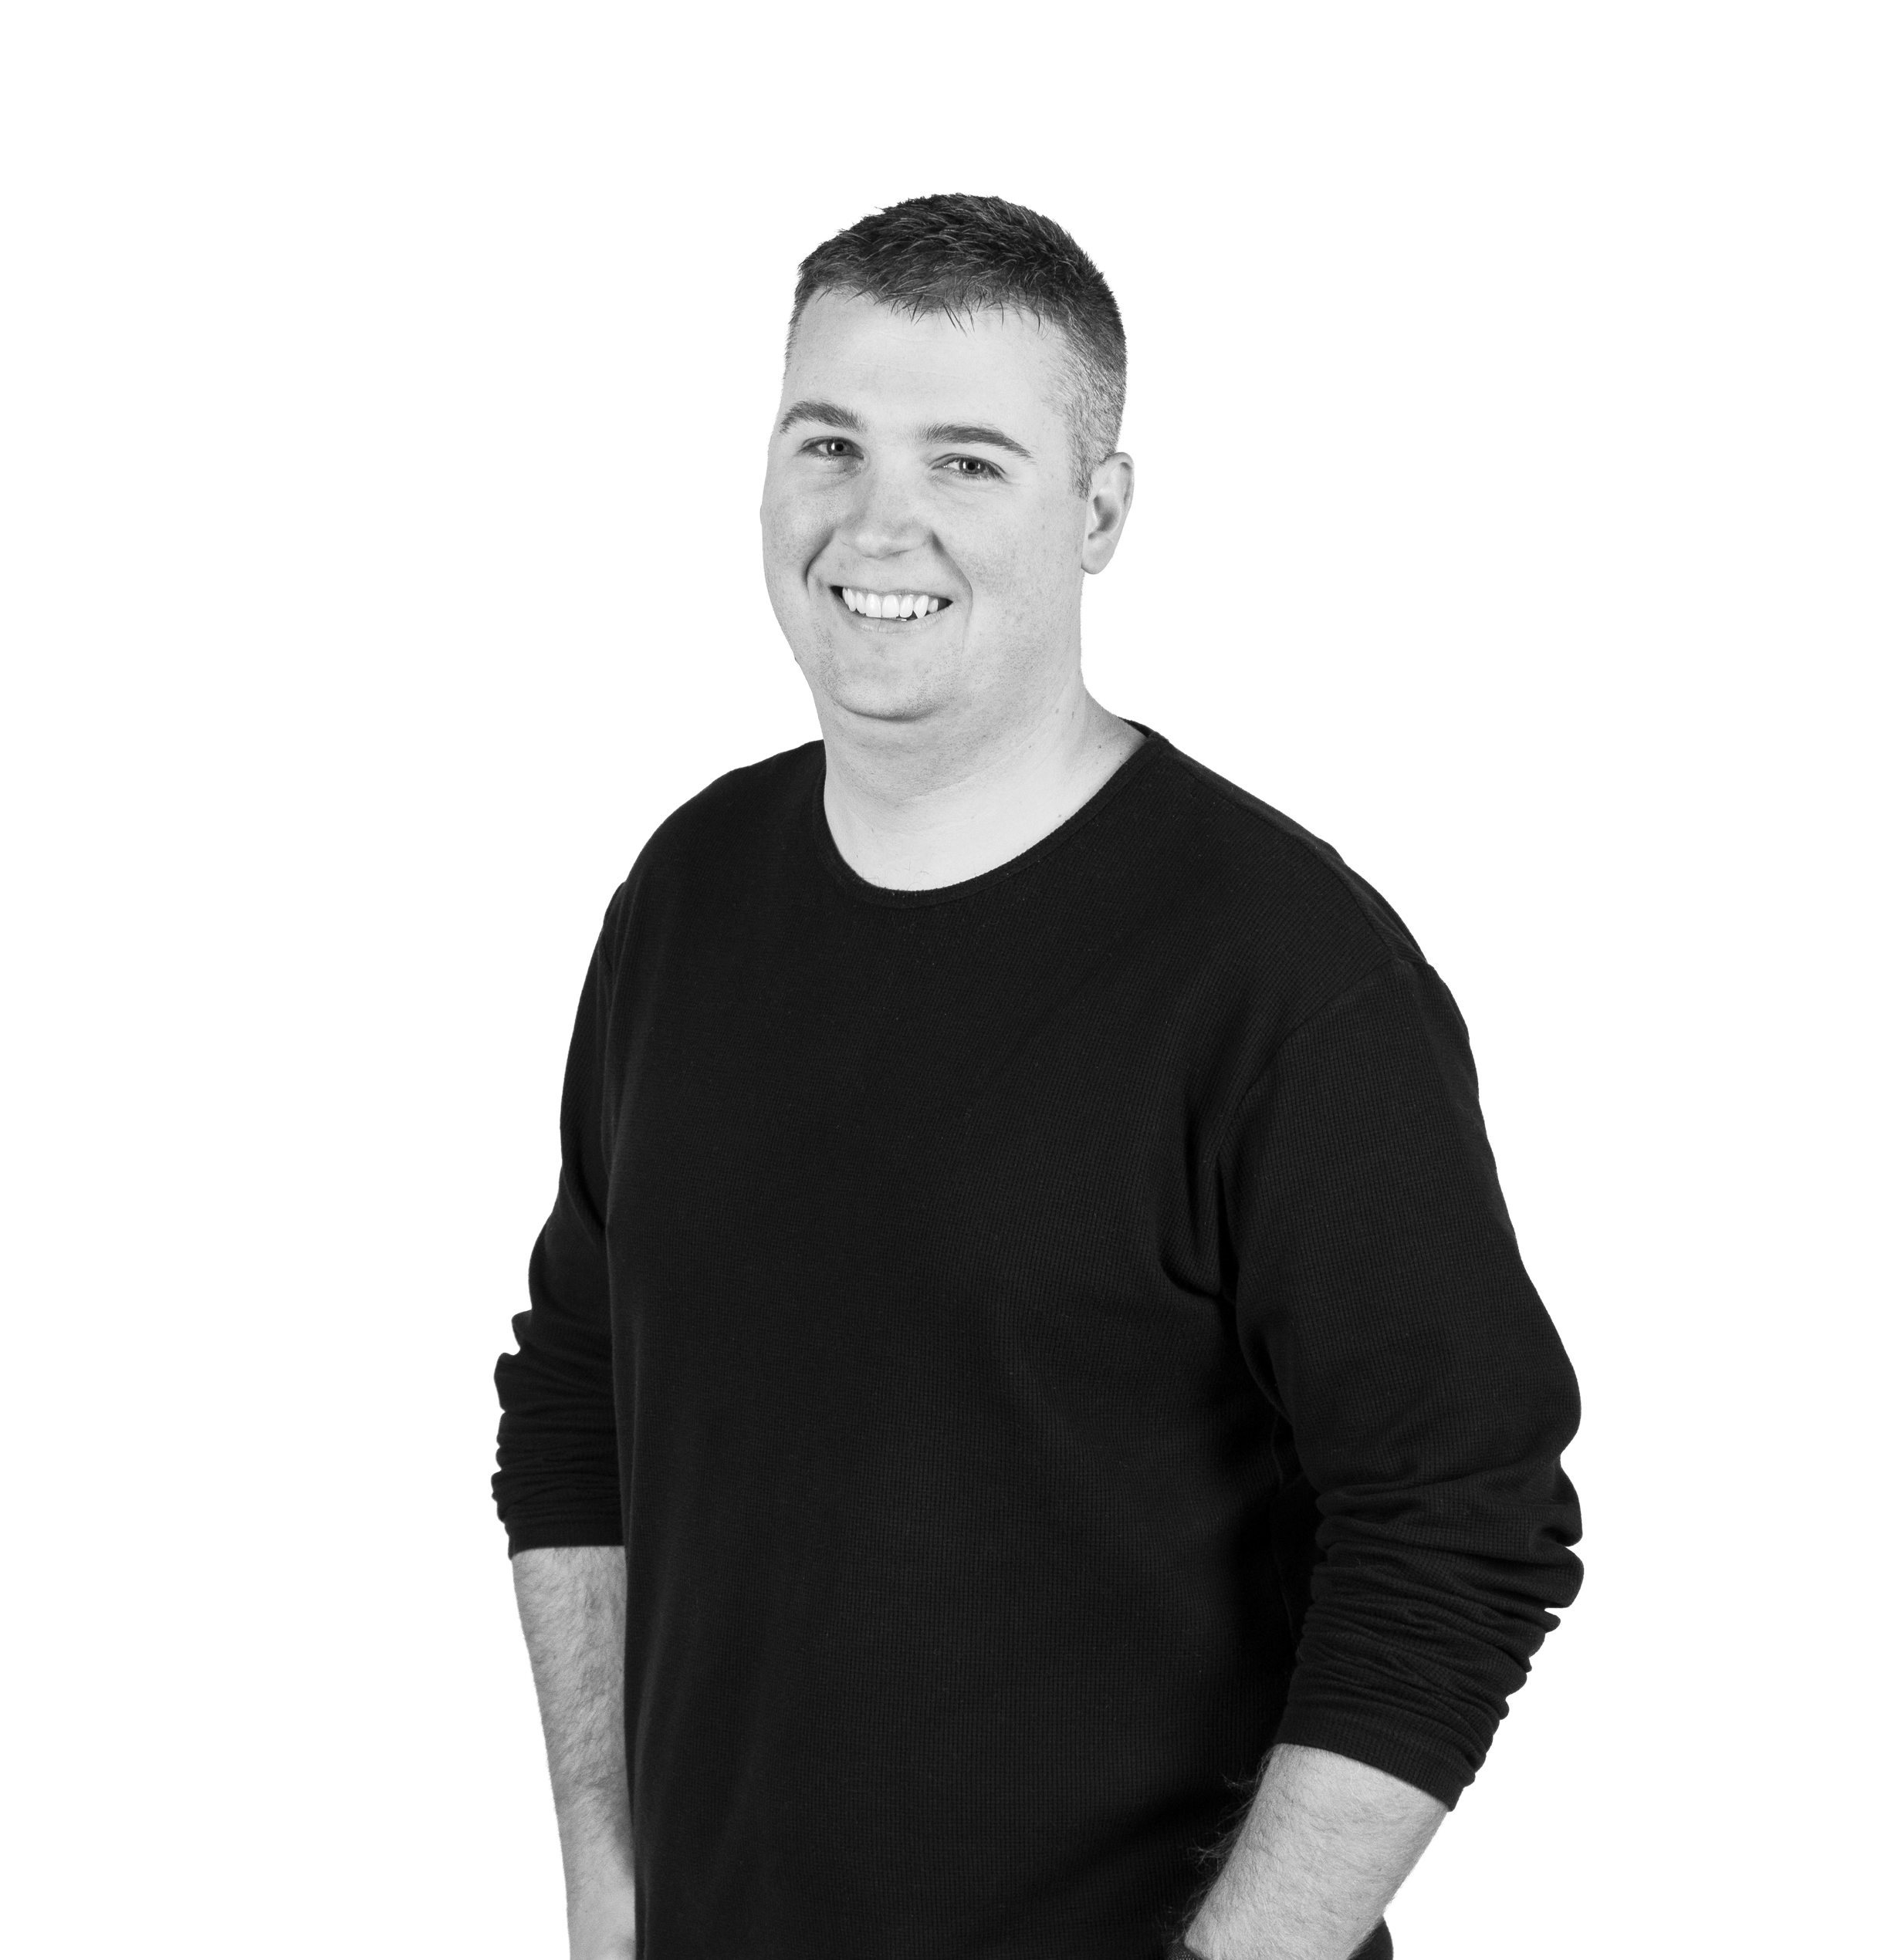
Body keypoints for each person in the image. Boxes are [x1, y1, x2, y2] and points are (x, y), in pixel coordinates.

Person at [492, 191, 1585, 1960]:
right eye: (826, 441)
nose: (876, 521)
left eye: (969, 461)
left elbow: (1466, 1529)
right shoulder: (684, 892)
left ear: (1101, 511)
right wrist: (611, 1885)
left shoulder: (1284, 971)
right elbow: (572, 1400)